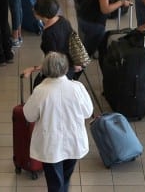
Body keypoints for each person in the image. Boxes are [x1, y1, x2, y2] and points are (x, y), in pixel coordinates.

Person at [21, 51, 92, 191]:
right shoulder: (77, 87)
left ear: (45, 69)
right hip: (74, 141)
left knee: (55, 182)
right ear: (65, 67)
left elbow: (29, 116)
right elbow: (88, 112)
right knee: (65, 178)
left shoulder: (41, 91)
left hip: (51, 145)